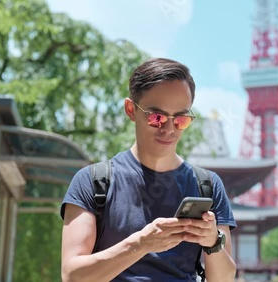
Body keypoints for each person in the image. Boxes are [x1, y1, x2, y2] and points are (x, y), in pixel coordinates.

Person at [60, 58, 237, 282]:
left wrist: (213, 242)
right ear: (131, 110)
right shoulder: (93, 181)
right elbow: (72, 276)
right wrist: (141, 244)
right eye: (156, 117)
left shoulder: (208, 186)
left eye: (180, 119)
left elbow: (224, 280)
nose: (169, 129)